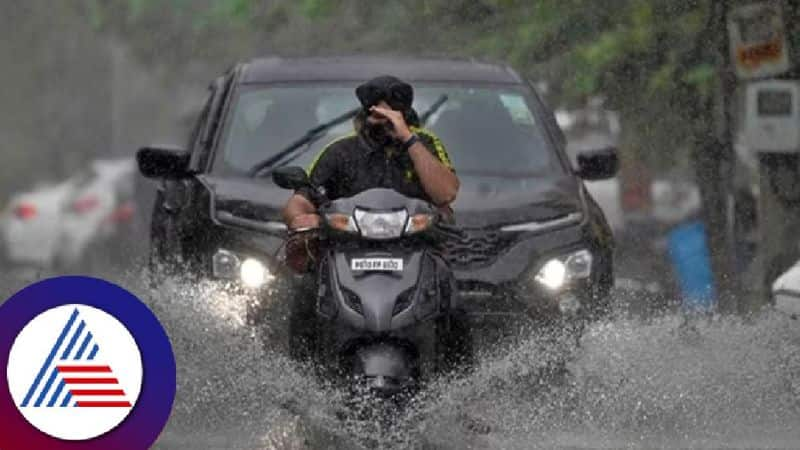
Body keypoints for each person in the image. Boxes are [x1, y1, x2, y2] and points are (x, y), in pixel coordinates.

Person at [281, 75, 459, 272]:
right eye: (378, 116)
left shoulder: (424, 144)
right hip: (347, 249)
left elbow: (446, 194)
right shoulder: (340, 151)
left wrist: (408, 139)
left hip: (417, 250)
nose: (384, 124)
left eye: (390, 117)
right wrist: (302, 217)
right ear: (366, 114)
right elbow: (302, 198)